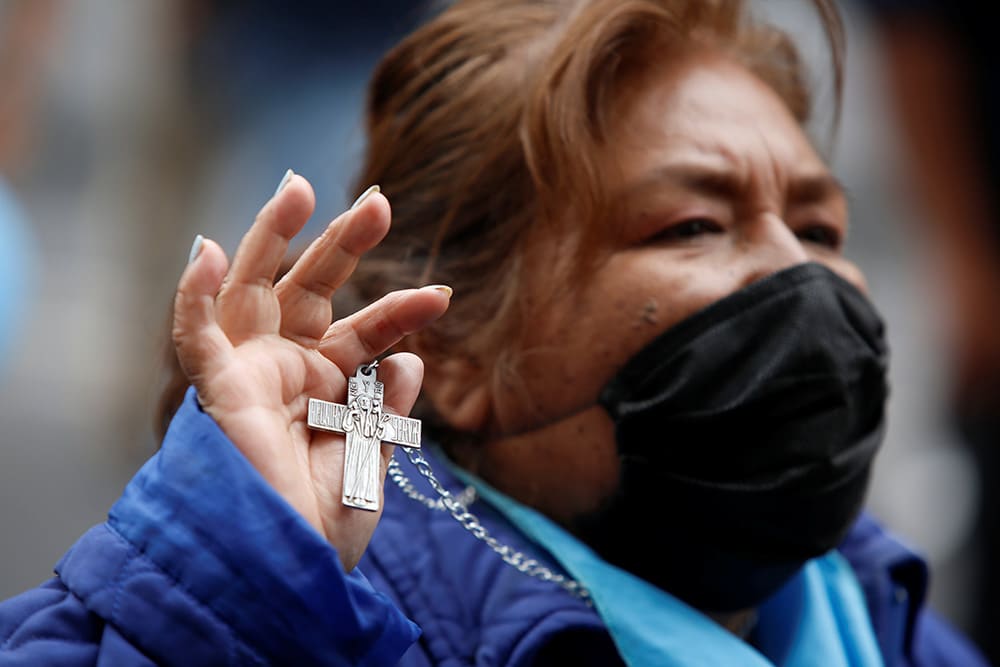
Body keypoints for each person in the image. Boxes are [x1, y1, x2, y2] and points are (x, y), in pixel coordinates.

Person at [0, 0, 990, 665]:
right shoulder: (347, 629)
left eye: (822, 226)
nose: (796, 269)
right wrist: (238, 576)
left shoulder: (876, 606)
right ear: (456, 358)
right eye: (692, 223)